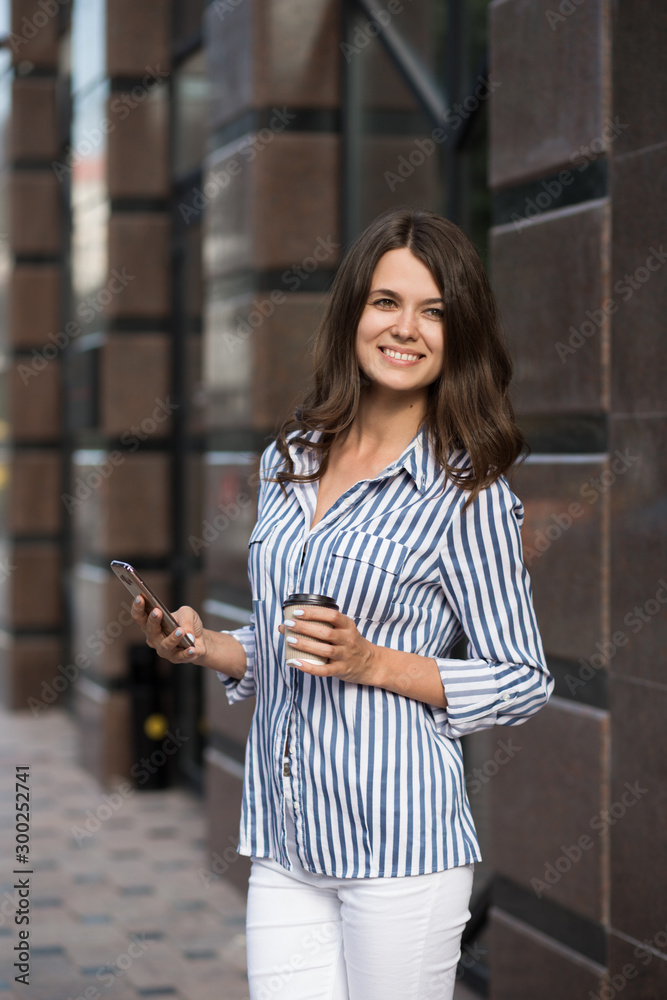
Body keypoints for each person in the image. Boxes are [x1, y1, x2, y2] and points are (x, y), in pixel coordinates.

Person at [131, 207, 554, 1000]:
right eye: (386, 302)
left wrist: (374, 662)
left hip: (401, 849)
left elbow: (522, 677)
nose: (406, 328)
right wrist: (204, 645)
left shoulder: (469, 494)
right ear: (353, 313)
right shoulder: (288, 458)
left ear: (457, 335)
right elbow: (284, 637)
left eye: (433, 311)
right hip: (285, 836)